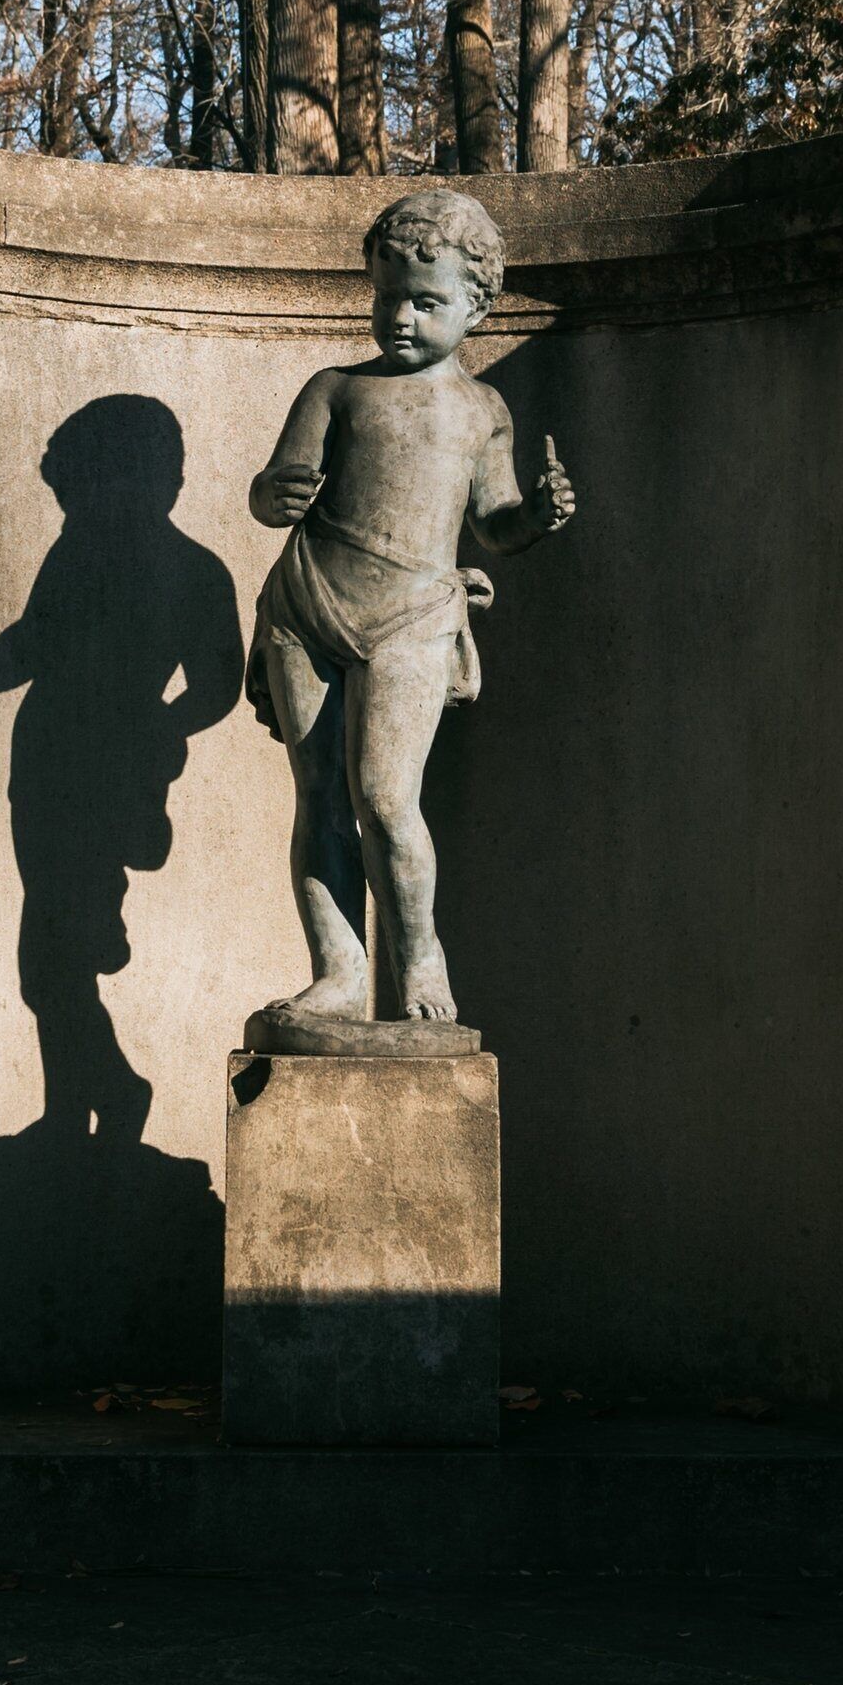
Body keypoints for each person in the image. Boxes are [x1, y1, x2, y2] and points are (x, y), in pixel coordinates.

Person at [243, 190, 577, 1045]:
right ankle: (338, 972)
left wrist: (535, 516)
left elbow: (494, 523)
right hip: (309, 603)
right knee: (319, 797)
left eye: (426, 301)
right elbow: (277, 487)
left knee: (388, 798)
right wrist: (275, 494)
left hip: (415, 615)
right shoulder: (335, 389)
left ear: (475, 305)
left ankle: (420, 955)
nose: (399, 316)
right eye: (386, 295)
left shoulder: (481, 411)